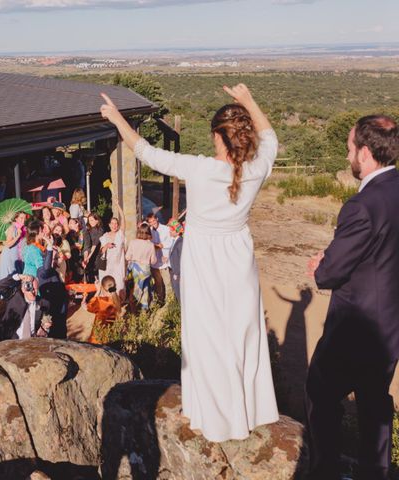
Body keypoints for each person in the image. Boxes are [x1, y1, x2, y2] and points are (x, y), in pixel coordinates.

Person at [100, 84, 279, 442]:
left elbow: (145, 151)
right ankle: (248, 409)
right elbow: (270, 137)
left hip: (203, 258)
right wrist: (247, 100)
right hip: (238, 258)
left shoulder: (198, 169)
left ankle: (212, 415)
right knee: (241, 331)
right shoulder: (258, 168)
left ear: (217, 136)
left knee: (206, 336)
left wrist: (117, 118)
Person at [306, 115, 399, 480]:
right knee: (375, 402)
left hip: (355, 324)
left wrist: (321, 266)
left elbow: (332, 272)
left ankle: (325, 471)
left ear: (364, 152)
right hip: (391, 321)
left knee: (320, 393)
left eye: (349, 149)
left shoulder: (361, 206)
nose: (347, 156)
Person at [0, 274, 52, 341]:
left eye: (36, 289)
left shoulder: (43, 304)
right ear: (23, 289)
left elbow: (47, 320)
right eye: (30, 288)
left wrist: (45, 328)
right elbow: (0, 285)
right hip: (10, 340)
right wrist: (19, 276)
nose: (33, 291)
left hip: (31, 342)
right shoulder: (14, 297)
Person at [125, 222, 157, 310]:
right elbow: (154, 261)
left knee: (135, 290)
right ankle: (144, 311)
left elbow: (127, 257)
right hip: (146, 271)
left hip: (135, 270)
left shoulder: (133, 242)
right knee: (145, 290)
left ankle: (134, 311)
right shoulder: (150, 245)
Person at [98, 204, 126, 299]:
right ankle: (107, 304)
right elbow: (101, 251)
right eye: (112, 223)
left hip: (118, 266)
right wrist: (106, 246)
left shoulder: (120, 235)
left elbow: (123, 219)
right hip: (107, 266)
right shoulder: (105, 236)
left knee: (119, 285)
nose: (114, 225)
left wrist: (118, 206)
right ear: (109, 225)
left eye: (116, 224)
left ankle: (118, 304)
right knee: (107, 286)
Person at [84, 275, 122, 344]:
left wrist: (98, 290)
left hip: (98, 336)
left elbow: (89, 307)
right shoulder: (117, 300)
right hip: (111, 334)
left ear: (102, 287)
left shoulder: (100, 301)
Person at [147, 212, 173, 305]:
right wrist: (157, 246)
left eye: (154, 220)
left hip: (164, 260)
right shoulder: (149, 230)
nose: (153, 223)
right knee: (158, 283)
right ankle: (160, 301)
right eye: (150, 222)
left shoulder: (166, 229)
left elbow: (170, 243)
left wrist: (161, 246)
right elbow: (149, 244)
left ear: (157, 219)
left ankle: (170, 302)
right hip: (154, 262)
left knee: (167, 282)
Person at [0, 211, 28, 280]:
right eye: (21, 218)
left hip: (19, 256)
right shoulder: (12, 228)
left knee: (18, 277)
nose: (23, 220)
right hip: (9, 256)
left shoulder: (24, 229)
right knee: (10, 277)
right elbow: (8, 245)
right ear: (16, 219)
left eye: (25, 218)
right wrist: (18, 236)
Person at [82, 213, 103, 283]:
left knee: (98, 276)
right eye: (89, 221)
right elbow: (86, 245)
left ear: (97, 221)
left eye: (92, 220)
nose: (90, 222)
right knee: (90, 276)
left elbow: (95, 244)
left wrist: (88, 257)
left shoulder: (100, 230)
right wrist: (85, 258)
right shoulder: (86, 231)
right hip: (89, 255)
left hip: (98, 255)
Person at [167, 218, 184, 303]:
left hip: (176, 272)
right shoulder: (175, 241)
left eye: (171, 230)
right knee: (175, 291)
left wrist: (177, 273)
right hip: (172, 270)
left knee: (178, 293)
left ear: (176, 232)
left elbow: (181, 259)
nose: (169, 231)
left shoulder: (180, 242)